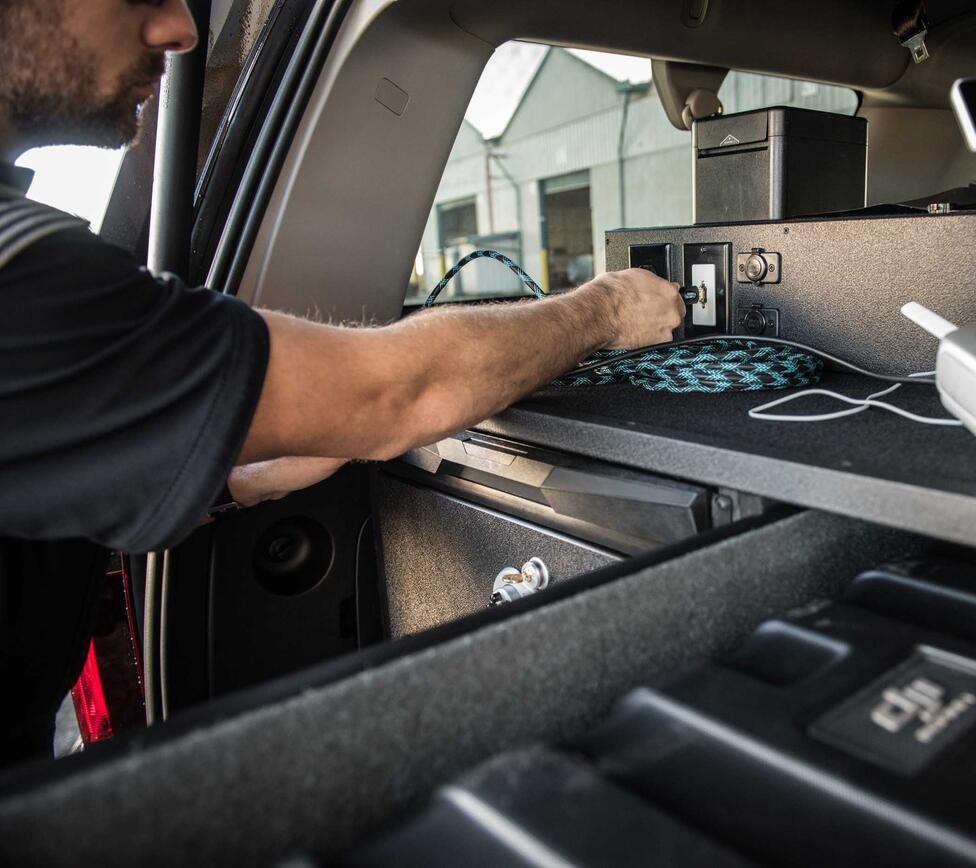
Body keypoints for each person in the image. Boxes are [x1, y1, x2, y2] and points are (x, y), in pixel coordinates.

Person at [0, 0, 684, 767]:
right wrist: (608, 306)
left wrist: (236, 478)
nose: (181, 30)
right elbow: (397, 392)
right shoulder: (25, 286)